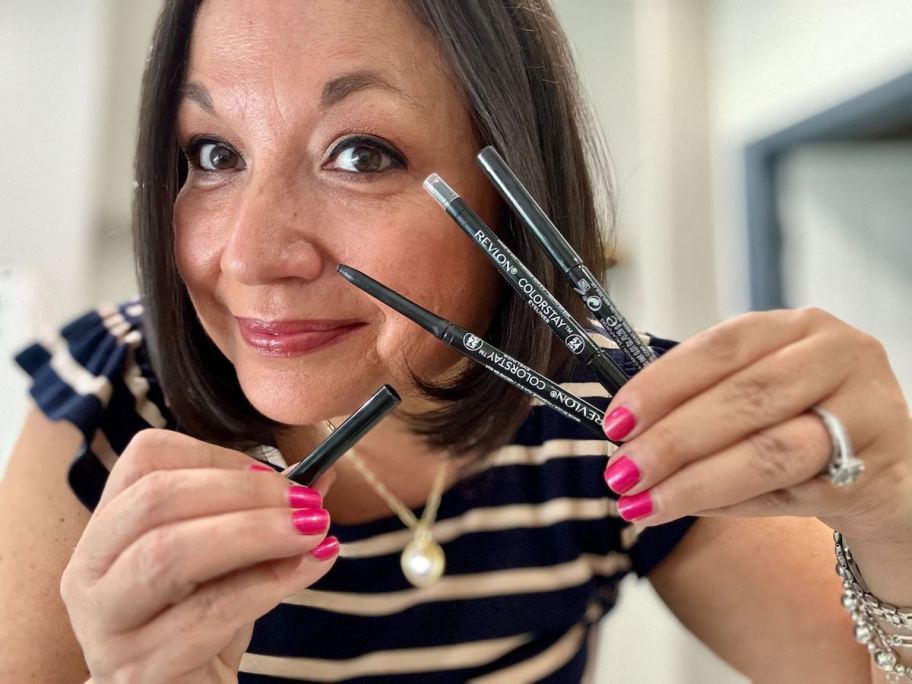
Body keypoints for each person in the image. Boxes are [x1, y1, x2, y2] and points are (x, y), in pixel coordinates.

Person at [2, 1, 910, 682]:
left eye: (359, 153)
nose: (250, 254)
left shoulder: (616, 415)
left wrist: (895, 518)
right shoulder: (105, 404)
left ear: (510, 195)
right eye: (212, 155)